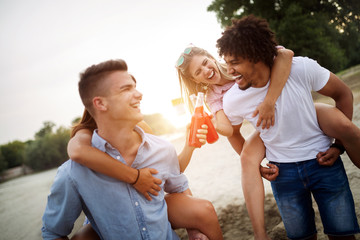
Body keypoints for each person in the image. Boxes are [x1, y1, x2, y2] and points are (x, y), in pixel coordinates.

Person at [175, 46, 360, 239]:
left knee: (345, 127)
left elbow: (285, 55)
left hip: (288, 107)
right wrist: (211, 121)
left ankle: (343, 146)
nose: (206, 70)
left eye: (205, 63)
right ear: (195, 80)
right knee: (247, 158)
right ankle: (259, 233)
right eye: (198, 72)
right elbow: (229, 130)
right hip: (264, 125)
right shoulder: (214, 96)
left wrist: (269, 102)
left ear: (210, 57)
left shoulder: (235, 62)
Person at [41, 59, 223, 240]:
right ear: (100, 104)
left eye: (134, 87)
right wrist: (135, 177)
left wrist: (193, 227)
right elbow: (53, 232)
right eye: (126, 89)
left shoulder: (160, 148)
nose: (139, 94)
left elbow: (178, 184)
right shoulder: (74, 171)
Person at [217, 15, 360, 240]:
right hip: (283, 175)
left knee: (343, 237)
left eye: (234, 62)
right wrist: (259, 164)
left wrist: (338, 147)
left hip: (324, 163)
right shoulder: (233, 99)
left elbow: (343, 94)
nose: (229, 70)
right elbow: (233, 134)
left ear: (254, 55)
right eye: (226, 62)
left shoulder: (299, 68)